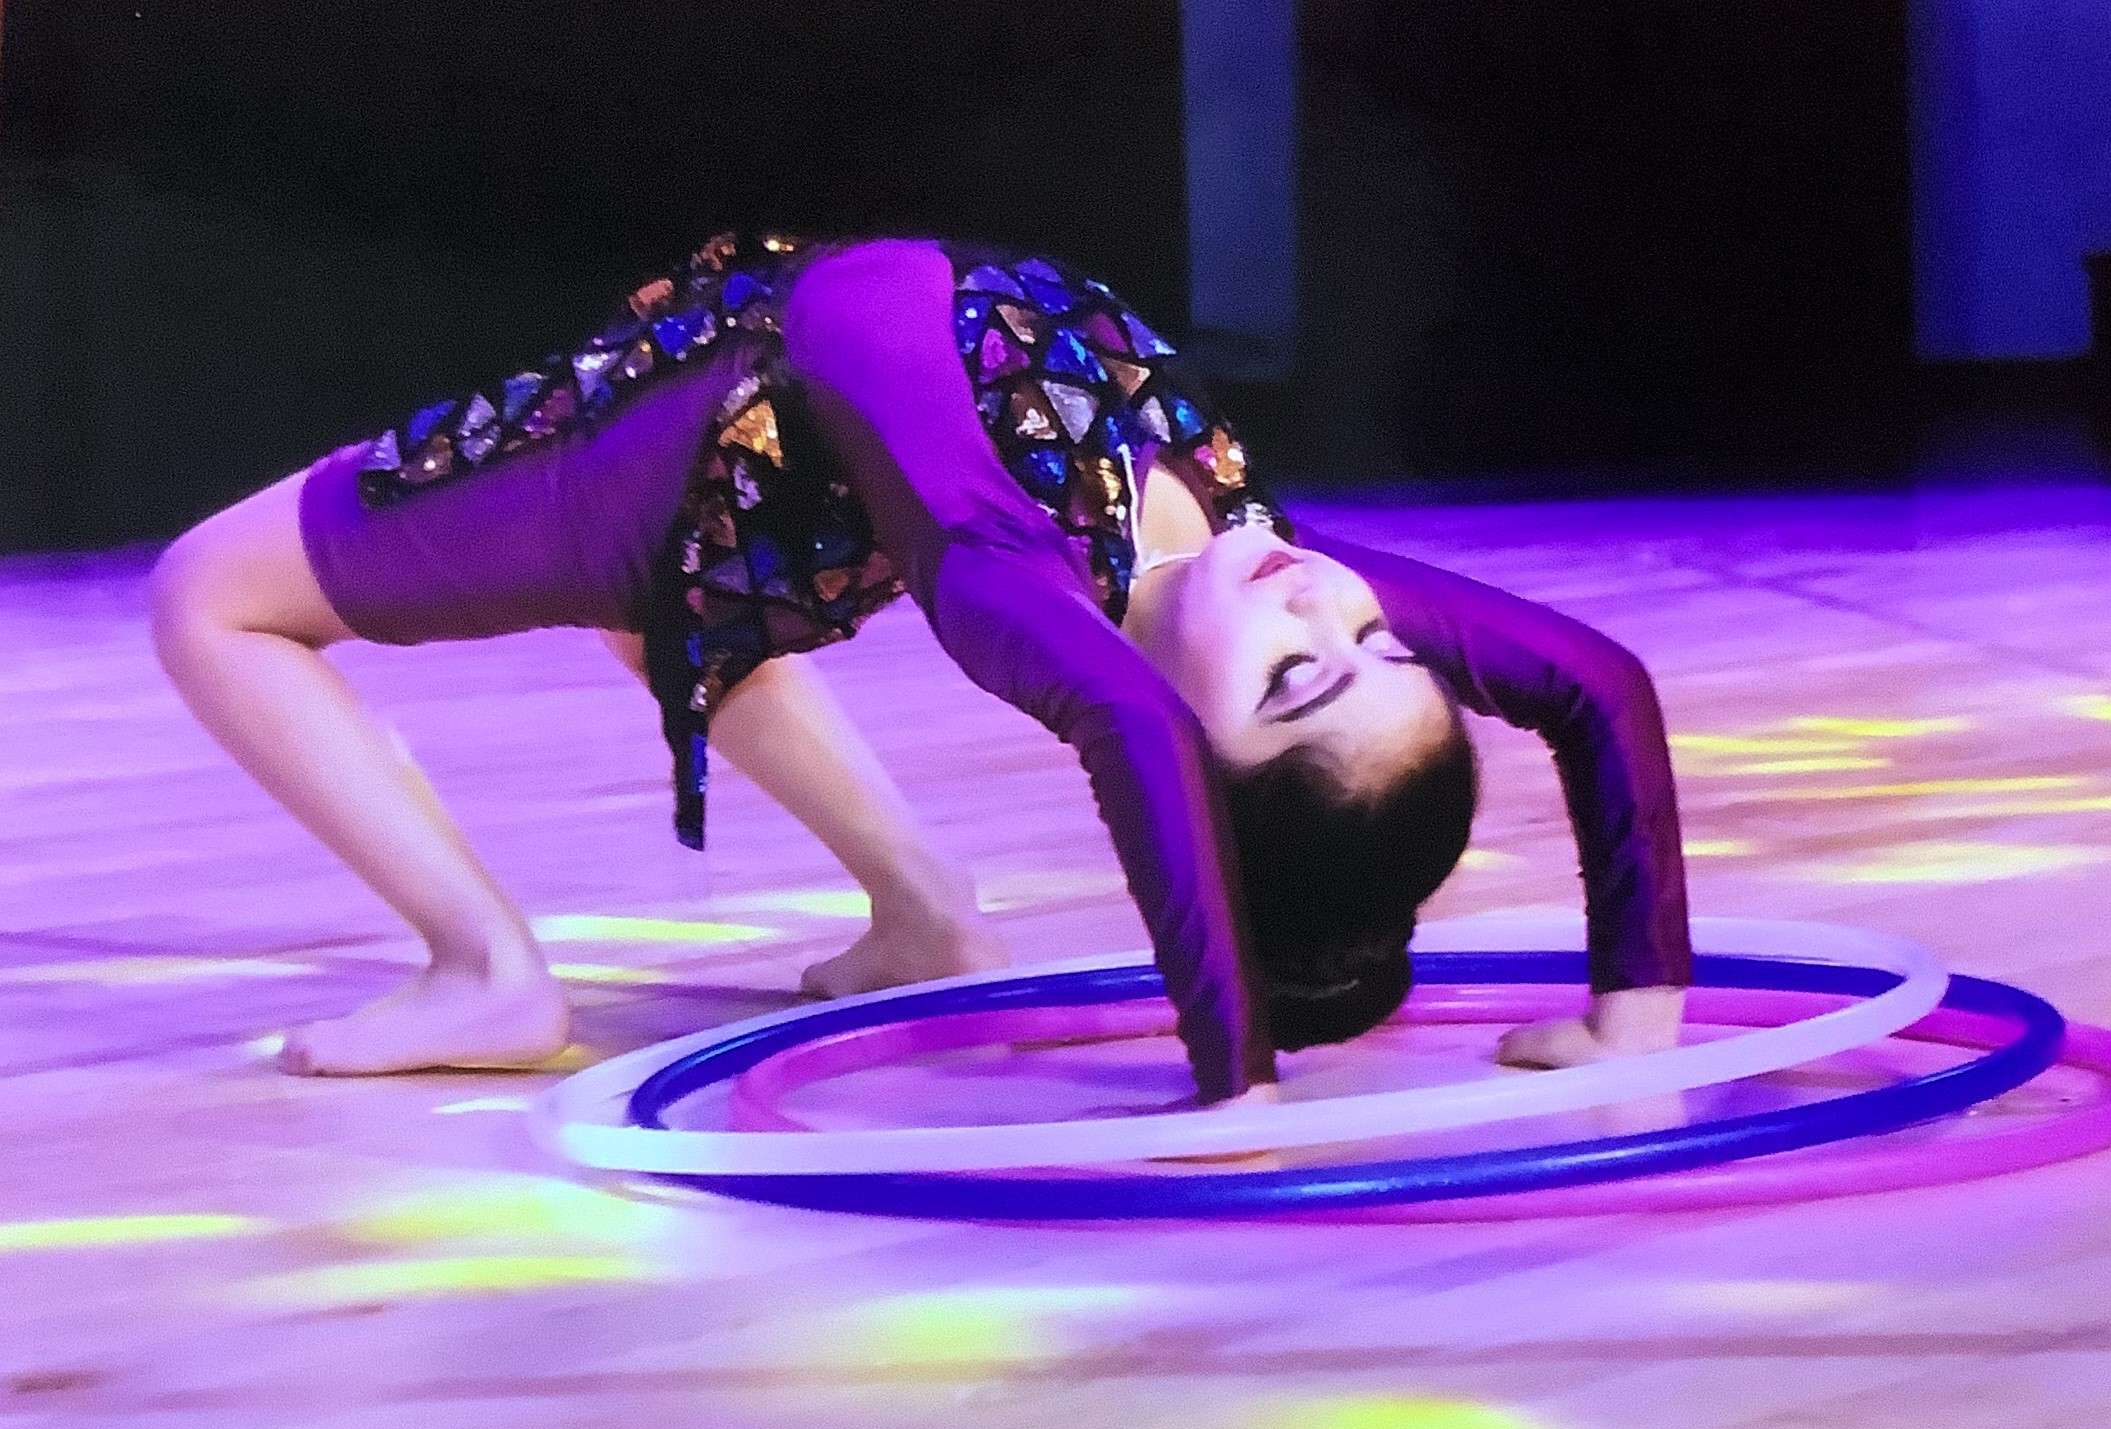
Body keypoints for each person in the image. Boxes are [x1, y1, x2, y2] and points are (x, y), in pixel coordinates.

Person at [150, 232, 1691, 1102]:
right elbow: (1596, 680)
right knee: (679, 624)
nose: (1327, 611)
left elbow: (1134, 730)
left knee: (208, 598)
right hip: (769, 448)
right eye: (1378, 643)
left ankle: (488, 970)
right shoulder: (1257, 548)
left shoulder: (1010, 578)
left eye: (1297, 679)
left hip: (641, 451)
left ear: (1200, 754)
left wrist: (1238, 1083)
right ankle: (929, 915)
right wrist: (1638, 1009)